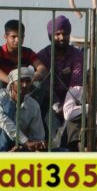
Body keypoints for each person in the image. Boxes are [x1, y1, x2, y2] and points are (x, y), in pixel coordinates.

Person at [33, 15, 84, 143]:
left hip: (73, 100)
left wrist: (67, 105)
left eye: (64, 34)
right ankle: (56, 145)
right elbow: (43, 84)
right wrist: (56, 104)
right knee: (50, 117)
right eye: (57, 34)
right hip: (50, 101)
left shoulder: (77, 55)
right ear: (50, 36)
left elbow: (76, 83)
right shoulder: (42, 56)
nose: (61, 37)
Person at [62, 68, 97, 152]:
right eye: (96, 86)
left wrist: (92, 113)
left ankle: (96, 152)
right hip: (77, 140)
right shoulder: (75, 91)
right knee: (74, 120)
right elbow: (68, 114)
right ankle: (81, 151)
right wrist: (90, 107)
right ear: (86, 84)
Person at [0, 67, 46, 152]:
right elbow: (1, 120)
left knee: (63, 151)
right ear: (12, 83)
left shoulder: (33, 105)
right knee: (8, 107)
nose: (24, 85)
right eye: (20, 81)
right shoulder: (0, 97)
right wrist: (26, 141)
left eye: (28, 81)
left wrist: (38, 144)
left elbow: (38, 136)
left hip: (20, 145)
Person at [0, 19, 44, 90]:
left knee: (38, 84)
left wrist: (32, 79)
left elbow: (42, 68)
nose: (17, 40)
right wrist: (12, 81)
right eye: (13, 37)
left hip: (22, 87)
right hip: (3, 87)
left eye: (20, 37)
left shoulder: (27, 52)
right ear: (5, 37)